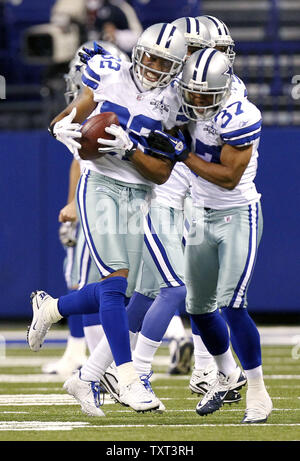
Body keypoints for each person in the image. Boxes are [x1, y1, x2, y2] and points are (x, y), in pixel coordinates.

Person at [27, 22, 187, 416]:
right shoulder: (108, 73)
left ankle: (52, 310)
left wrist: (132, 150)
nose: (152, 65)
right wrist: (62, 129)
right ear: (138, 52)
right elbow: (69, 116)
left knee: (126, 291)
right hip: (99, 186)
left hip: (140, 195)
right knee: (115, 284)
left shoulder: (174, 103)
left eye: (163, 61)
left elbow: (162, 173)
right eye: (149, 56)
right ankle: (128, 378)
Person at [147, 48, 273, 424]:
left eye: (205, 95)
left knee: (233, 305)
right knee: (198, 309)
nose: (197, 101)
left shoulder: (240, 113)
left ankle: (259, 393)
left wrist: (183, 155)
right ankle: (225, 374)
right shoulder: (182, 101)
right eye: (193, 93)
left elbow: (229, 177)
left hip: (238, 215)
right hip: (200, 215)